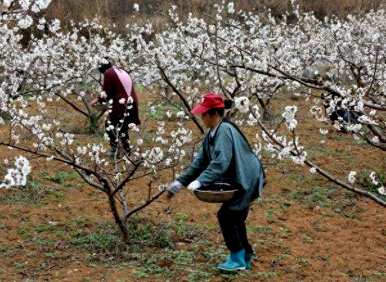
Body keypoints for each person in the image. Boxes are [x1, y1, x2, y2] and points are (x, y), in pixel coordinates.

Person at [167, 92, 265, 272]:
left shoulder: (225, 131)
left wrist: (201, 181)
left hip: (248, 178)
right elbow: (200, 162)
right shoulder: (212, 133)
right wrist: (180, 182)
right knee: (236, 218)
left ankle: (237, 259)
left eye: (204, 114)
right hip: (241, 177)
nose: (201, 117)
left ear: (214, 114)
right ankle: (245, 255)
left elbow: (221, 162)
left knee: (227, 217)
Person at [92, 61, 140, 156]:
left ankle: (115, 150)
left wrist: (97, 100)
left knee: (110, 126)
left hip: (122, 104)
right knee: (122, 128)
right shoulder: (121, 70)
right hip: (131, 103)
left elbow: (106, 91)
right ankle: (127, 151)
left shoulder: (109, 72)